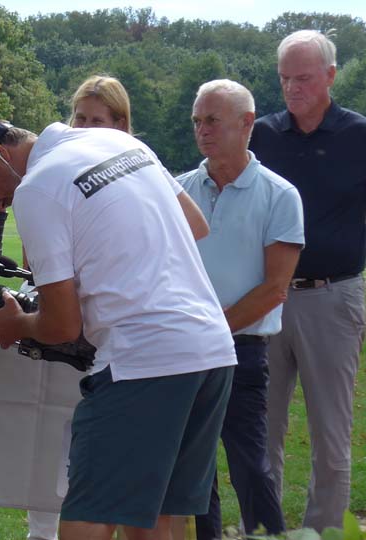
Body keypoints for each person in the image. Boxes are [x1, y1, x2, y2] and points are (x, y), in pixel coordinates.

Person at [0, 118, 236, 540]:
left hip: (143, 358)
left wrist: (18, 324)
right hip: (211, 348)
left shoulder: (36, 188)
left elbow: (62, 325)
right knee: (153, 515)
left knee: (88, 514)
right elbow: (195, 225)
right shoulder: (117, 140)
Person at [249, 29, 366, 532]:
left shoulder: (359, 136)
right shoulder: (264, 136)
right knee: (261, 432)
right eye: (284, 78)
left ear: (331, 76)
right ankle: (270, 530)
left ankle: (323, 532)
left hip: (332, 298)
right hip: (266, 299)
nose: (292, 87)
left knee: (331, 438)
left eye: (303, 77)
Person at [177, 79, 304, 539]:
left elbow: (274, 288)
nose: (202, 130)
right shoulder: (179, 190)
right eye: (197, 121)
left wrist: (214, 328)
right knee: (196, 471)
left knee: (251, 466)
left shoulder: (279, 195)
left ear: (246, 123)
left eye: (212, 120)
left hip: (242, 351)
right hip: (184, 352)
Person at [25, 73, 137, 540]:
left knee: (105, 474)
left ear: (121, 126)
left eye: (98, 121)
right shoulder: (58, 174)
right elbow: (38, 264)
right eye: (80, 118)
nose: (86, 128)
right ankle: (40, 527)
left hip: (119, 340)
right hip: (75, 335)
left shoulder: (137, 170)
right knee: (51, 436)